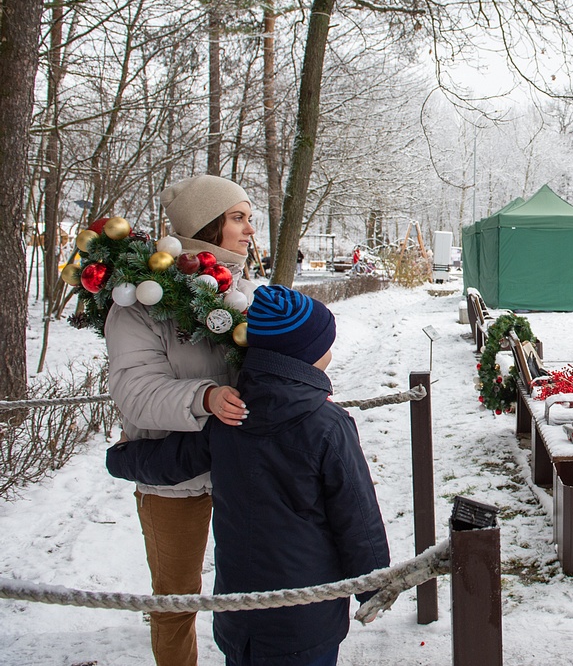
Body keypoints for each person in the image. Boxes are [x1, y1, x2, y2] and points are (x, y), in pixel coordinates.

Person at [107, 285, 391, 666]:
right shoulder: (328, 425)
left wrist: (121, 457)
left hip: (238, 617)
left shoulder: (228, 417)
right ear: (307, 356)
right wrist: (375, 585)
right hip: (307, 619)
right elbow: (357, 515)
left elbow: (171, 462)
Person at [104, 174, 255, 666]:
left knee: (257, 588)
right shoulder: (142, 303)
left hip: (242, 468)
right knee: (175, 598)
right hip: (175, 475)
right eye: (238, 218)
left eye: (249, 218)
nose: (250, 229)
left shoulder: (244, 292)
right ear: (207, 227)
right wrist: (205, 397)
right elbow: (135, 393)